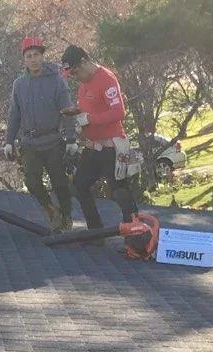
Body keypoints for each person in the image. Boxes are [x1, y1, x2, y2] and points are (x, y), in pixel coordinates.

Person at [58, 45, 139, 233]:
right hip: (92, 147)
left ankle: (135, 233)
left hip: (111, 146)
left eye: (76, 72)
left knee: (119, 192)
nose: (75, 77)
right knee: (79, 185)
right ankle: (96, 230)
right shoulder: (83, 84)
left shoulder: (106, 79)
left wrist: (89, 119)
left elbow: (118, 112)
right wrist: (76, 112)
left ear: (84, 62)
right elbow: (92, 106)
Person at [4, 36, 74, 233]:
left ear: (42, 56)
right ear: (24, 59)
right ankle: (51, 210)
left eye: (36, 55)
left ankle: (66, 216)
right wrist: (8, 141)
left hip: (53, 140)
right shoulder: (19, 84)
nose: (33, 59)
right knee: (32, 182)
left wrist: (71, 140)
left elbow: (68, 111)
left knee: (60, 183)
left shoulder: (57, 81)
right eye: (28, 56)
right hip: (29, 142)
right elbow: (14, 115)